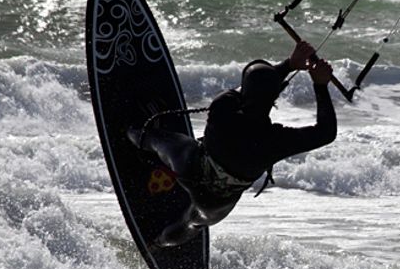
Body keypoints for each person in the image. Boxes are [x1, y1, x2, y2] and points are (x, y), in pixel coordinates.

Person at [128, 40, 336, 248]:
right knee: (191, 223)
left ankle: (131, 133)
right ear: (275, 99)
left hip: (190, 166)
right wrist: (320, 85)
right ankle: (157, 244)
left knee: (159, 142)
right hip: (216, 202)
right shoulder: (275, 141)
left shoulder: (223, 107)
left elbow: (250, 91)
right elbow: (325, 133)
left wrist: (289, 65)